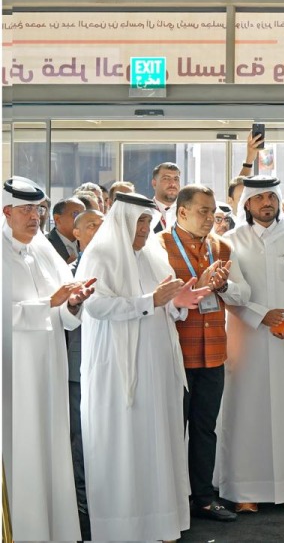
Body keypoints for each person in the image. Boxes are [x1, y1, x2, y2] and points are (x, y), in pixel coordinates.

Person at [78, 191, 209, 542]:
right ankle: (125, 527)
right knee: (125, 442)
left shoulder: (153, 253)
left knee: (159, 439)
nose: (143, 229)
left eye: (148, 222)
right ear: (121, 220)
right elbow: (96, 307)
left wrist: (179, 302)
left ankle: (161, 521)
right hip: (119, 368)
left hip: (159, 363)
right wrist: (149, 302)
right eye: (139, 221)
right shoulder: (101, 254)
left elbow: (167, 302)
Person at [216, 176, 284, 513]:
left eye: (271, 198)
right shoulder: (229, 241)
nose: (267, 204)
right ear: (246, 204)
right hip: (245, 339)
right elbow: (228, 293)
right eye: (259, 199)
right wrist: (262, 316)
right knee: (246, 412)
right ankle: (244, 490)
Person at [2, 177, 91, 542]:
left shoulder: (44, 248)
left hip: (51, 367)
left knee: (54, 445)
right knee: (22, 445)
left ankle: (56, 530)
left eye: (38, 209)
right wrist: (48, 304)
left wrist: (73, 303)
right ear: (6, 212)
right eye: (25, 209)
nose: (34, 217)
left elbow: (64, 313)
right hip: (13, 374)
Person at [160, 184, 242, 522]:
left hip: (213, 353)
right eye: (203, 211)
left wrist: (222, 285)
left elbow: (239, 296)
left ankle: (204, 498)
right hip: (176, 353)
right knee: (172, 429)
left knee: (206, 428)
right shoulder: (160, 246)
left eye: (214, 212)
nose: (211, 218)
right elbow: (158, 298)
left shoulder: (221, 246)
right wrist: (197, 282)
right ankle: (172, 498)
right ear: (182, 212)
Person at [67, 207, 104, 526]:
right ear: (76, 233)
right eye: (91, 226)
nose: (98, 230)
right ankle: (83, 503)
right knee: (81, 436)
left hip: (108, 364)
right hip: (78, 363)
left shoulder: (114, 262)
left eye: (102, 225)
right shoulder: (69, 268)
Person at [47, 197, 85, 263]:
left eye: (84, 215)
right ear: (57, 219)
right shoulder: (45, 244)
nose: (82, 219)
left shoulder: (87, 242)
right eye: (76, 214)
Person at [151, 161, 182, 233]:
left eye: (176, 179)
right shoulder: (144, 212)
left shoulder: (188, 213)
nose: (172, 183)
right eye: (166, 178)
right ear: (154, 183)